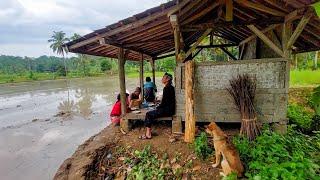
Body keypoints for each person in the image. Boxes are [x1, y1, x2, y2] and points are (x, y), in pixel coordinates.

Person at [139, 72, 175, 139]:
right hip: (170, 109)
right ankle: (148, 132)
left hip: (168, 110)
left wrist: (157, 107)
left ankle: (148, 134)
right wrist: (159, 104)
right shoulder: (171, 87)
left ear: (167, 79)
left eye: (163, 77)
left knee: (148, 114)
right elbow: (167, 101)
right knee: (153, 111)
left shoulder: (167, 88)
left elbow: (164, 103)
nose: (162, 79)